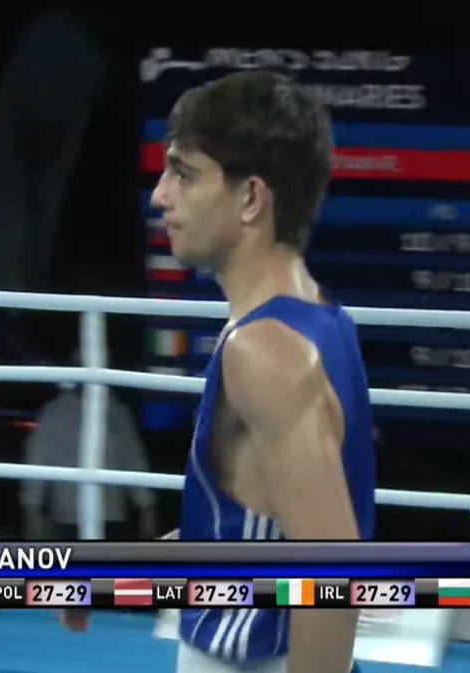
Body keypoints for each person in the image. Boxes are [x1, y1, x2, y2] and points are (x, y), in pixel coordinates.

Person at [64, 71, 375, 673]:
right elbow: (246, 535)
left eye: (184, 174)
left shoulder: (266, 351)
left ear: (251, 199)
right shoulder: (318, 321)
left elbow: (333, 579)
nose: (160, 196)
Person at [20, 382, 157, 541]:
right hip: (68, 518)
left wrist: (147, 510)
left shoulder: (118, 411)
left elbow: (133, 461)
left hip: (112, 516)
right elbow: (37, 462)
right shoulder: (54, 413)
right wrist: (32, 514)